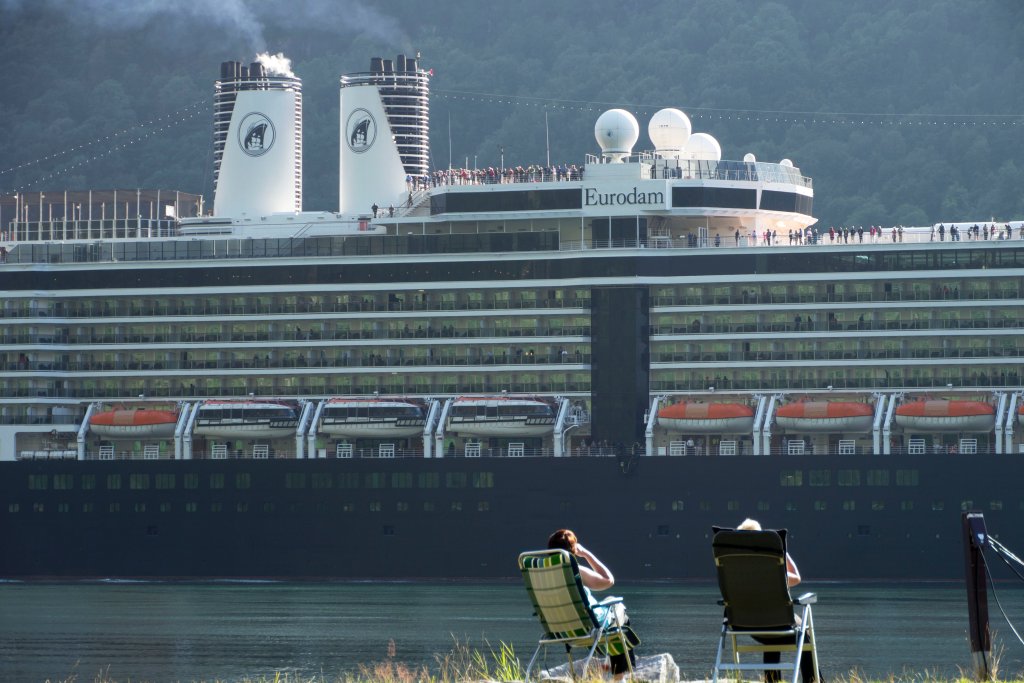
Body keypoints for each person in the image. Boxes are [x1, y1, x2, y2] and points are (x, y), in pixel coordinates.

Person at [547, 529, 638, 678]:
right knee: (619, 611)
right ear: (573, 549)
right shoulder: (573, 570)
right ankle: (620, 677)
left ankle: (614, 667)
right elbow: (608, 580)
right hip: (588, 625)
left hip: (559, 629)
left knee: (611, 607)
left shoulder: (545, 575)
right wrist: (586, 554)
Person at [736, 519, 817, 683]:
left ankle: (772, 680)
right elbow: (796, 578)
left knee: (769, 627)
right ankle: (813, 680)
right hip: (778, 623)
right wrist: (782, 551)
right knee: (803, 632)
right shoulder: (772, 559)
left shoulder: (735, 563)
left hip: (747, 625)